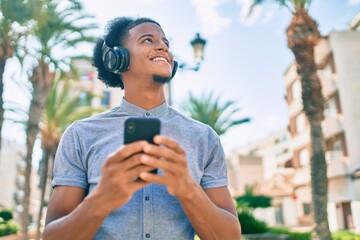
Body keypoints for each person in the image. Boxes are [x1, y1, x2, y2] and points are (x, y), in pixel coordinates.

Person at [43, 16, 241, 240]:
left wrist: (188, 189)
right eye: (148, 40)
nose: (162, 47)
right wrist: (101, 198)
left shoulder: (205, 138)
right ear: (117, 59)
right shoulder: (80, 135)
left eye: (166, 43)